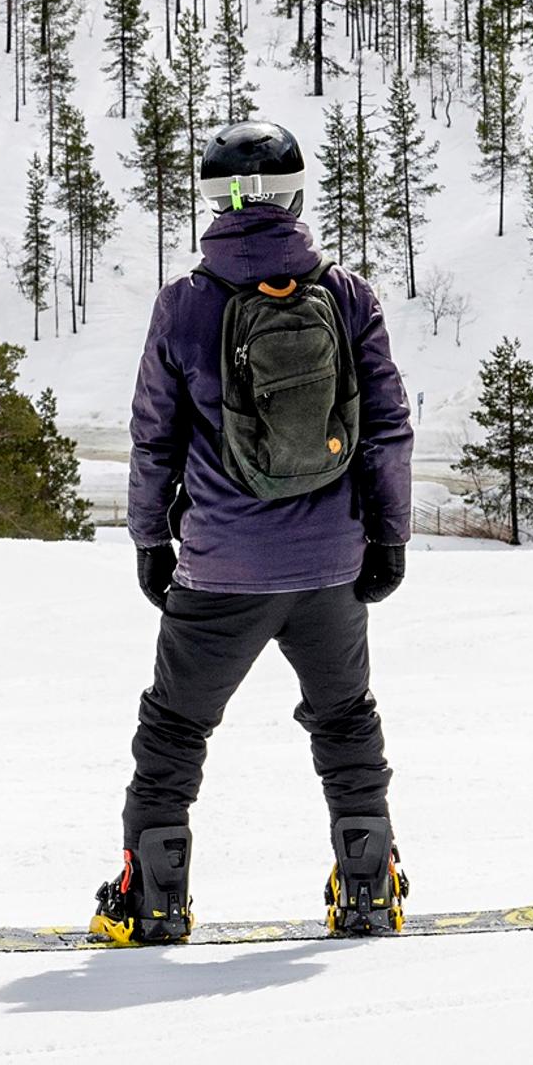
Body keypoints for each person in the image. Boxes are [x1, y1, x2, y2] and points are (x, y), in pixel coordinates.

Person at [92, 120, 416, 944]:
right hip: (330, 563)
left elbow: (153, 438)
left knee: (174, 730)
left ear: (213, 201)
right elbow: (387, 428)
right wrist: (387, 538)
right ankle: (368, 889)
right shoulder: (347, 295)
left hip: (219, 566)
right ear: (295, 195)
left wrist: (149, 542)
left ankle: (151, 899)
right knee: (345, 721)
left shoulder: (185, 304)